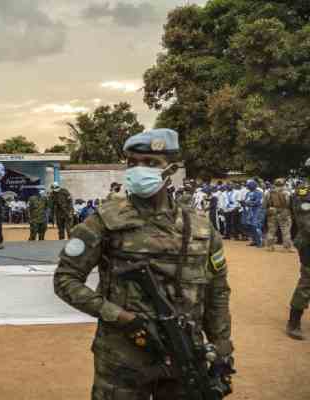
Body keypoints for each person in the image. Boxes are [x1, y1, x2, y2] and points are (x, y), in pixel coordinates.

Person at [53, 128, 234, 399]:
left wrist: (221, 347)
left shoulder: (201, 228)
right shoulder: (104, 221)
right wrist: (121, 317)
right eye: (133, 163)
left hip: (184, 354)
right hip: (122, 358)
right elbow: (65, 279)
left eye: (150, 163)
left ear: (170, 169)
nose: (139, 170)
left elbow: (217, 290)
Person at [286, 167, 310, 340]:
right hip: (308, 244)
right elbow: (306, 224)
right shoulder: (304, 192)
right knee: (308, 281)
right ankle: (293, 322)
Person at [264, 178, 294, 252]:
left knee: (271, 230)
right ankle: (287, 247)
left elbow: (264, 204)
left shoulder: (269, 192)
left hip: (272, 211)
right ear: (283, 184)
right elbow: (290, 203)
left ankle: (269, 246)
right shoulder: (287, 192)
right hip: (284, 212)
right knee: (285, 230)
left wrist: (269, 209)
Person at [244, 179, 263, 247]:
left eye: (249, 185)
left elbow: (258, 202)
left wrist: (249, 203)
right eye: (248, 186)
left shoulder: (259, 193)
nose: (248, 187)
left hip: (257, 211)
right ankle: (254, 240)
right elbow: (246, 200)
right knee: (250, 226)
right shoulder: (248, 193)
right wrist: (243, 203)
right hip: (250, 211)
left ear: (254, 185)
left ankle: (260, 242)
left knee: (256, 226)